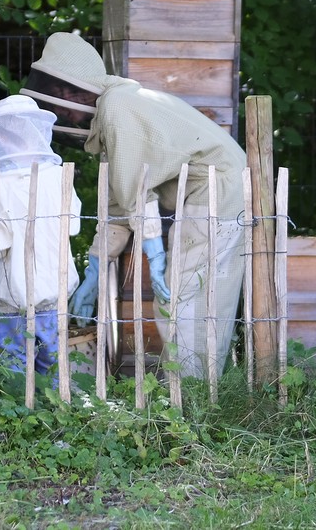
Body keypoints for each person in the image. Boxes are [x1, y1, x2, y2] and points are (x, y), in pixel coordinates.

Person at [20, 32, 246, 378]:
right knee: (185, 299)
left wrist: (154, 249)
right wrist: (97, 262)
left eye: (56, 100)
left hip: (218, 194)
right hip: (208, 194)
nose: (58, 112)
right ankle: (191, 393)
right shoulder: (116, 109)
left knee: (187, 300)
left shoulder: (118, 108)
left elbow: (136, 194)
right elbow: (119, 202)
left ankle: (194, 395)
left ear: (69, 89)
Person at [0, 95, 82, 381]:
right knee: (52, 365)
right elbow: (73, 227)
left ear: (0, 137)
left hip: (13, 296)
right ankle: (59, 416)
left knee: (13, 365)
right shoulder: (58, 177)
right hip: (55, 292)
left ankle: (18, 417)